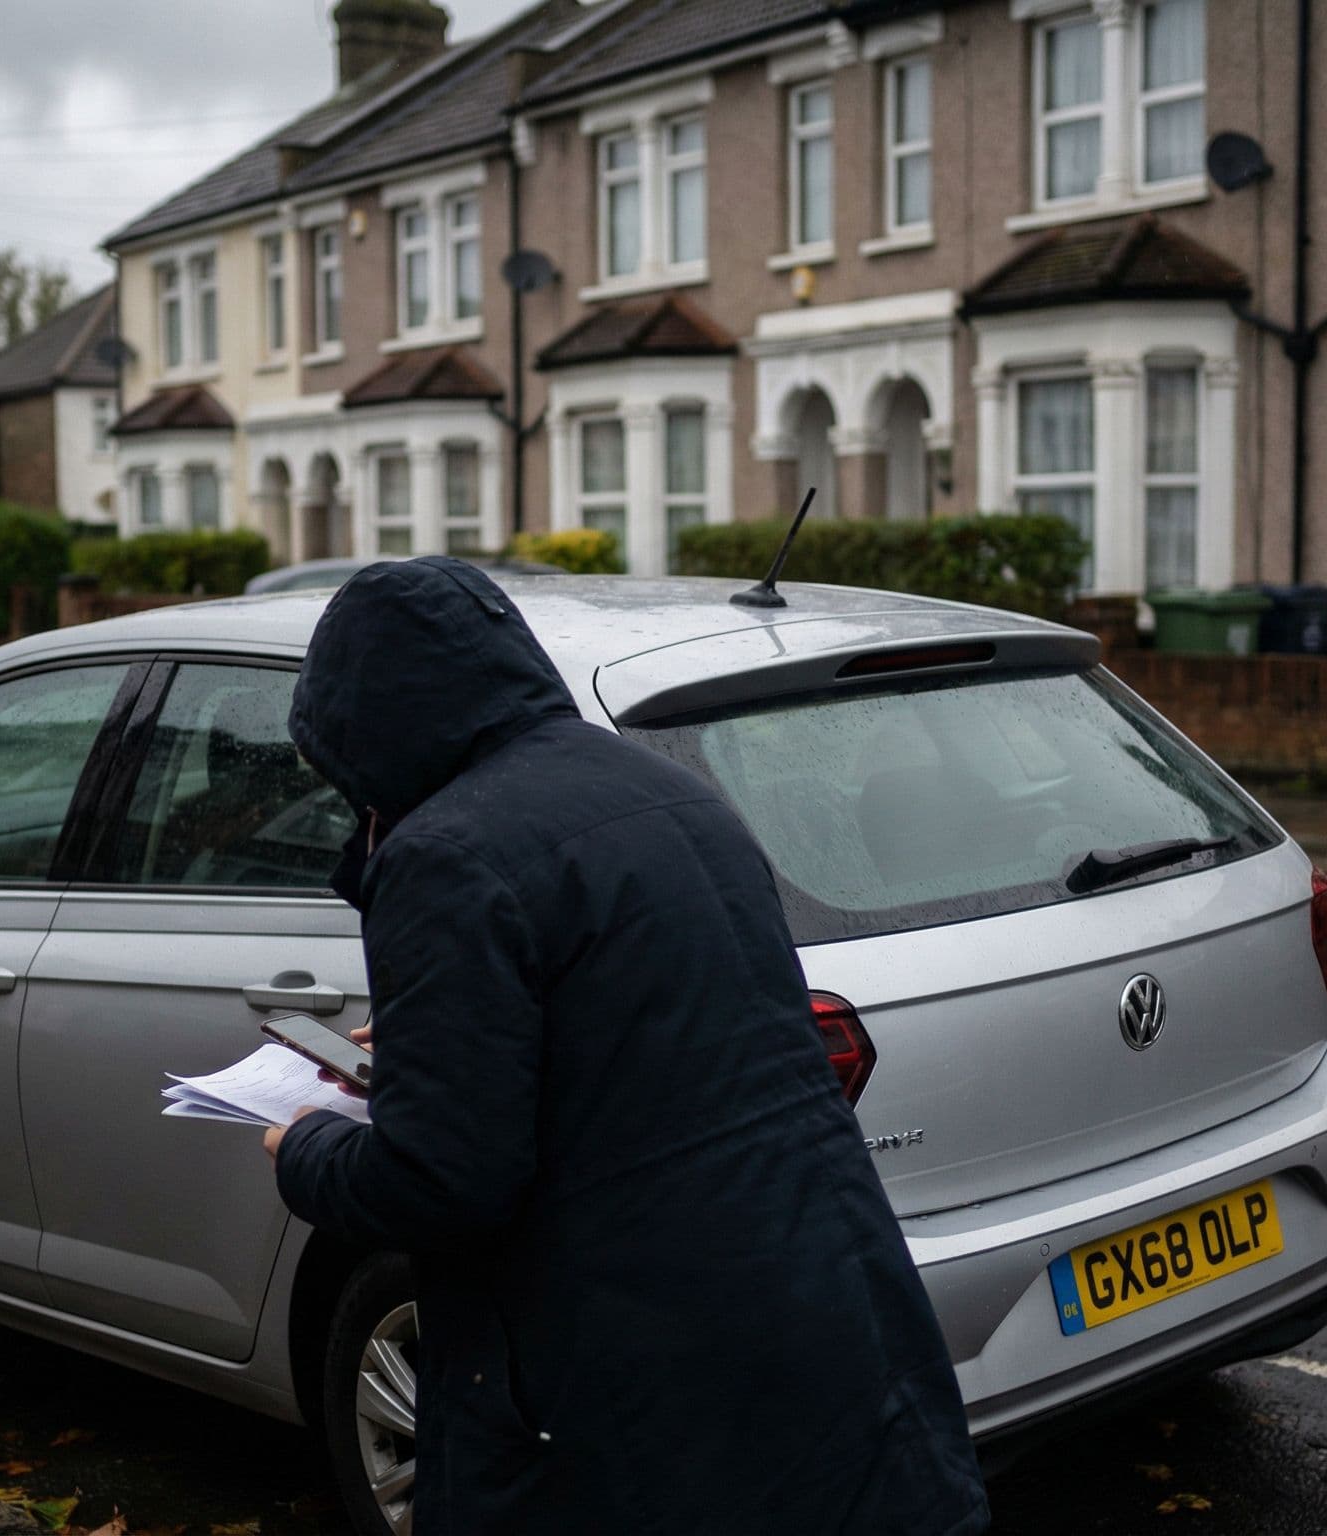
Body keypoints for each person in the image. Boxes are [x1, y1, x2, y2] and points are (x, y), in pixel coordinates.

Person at [265, 557, 989, 1535]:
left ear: (361, 730)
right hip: (822, 1301)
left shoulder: (443, 855)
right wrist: (453, 1045)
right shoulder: (671, 791)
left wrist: (304, 1147)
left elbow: (443, 1182)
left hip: (640, 1366)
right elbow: (656, 1036)